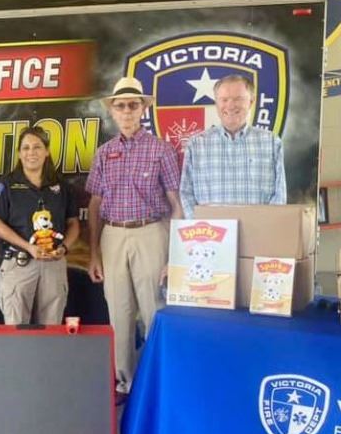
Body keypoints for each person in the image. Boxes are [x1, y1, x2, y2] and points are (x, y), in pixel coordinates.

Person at [86, 77, 182, 404]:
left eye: (132, 104)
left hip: (151, 231)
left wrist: (176, 254)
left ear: (143, 108)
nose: (127, 111)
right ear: (112, 111)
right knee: (118, 310)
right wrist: (94, 253)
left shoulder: (162, 149)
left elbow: (176, 202)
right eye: (120, 105)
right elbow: (95, 204)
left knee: (155, 308)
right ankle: (123, 382)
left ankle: (159, 380)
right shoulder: (104, 153)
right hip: (112, 235)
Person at [0, 126, 80, 325]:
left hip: (53, 265)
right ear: (20, 154)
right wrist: (28, 246)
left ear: (47, 151)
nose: (31, 152)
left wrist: (64, 248)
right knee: (16, 332)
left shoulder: (61, 187)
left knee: (51, 330)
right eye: (26, 148)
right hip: (18, 263)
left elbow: (73, 224)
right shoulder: (7, 185)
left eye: (37, 147)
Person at [180, 74, 287, 218]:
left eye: (238, 99)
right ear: (216, 103)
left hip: (259, 235)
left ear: (251, 101)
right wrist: (202, 229)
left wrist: (265, 227)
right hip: (211, 236)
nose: (230, 105)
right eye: (224, 99)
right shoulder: (196, 145)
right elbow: (186, 194)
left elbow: (279, 195)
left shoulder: (272, 143)